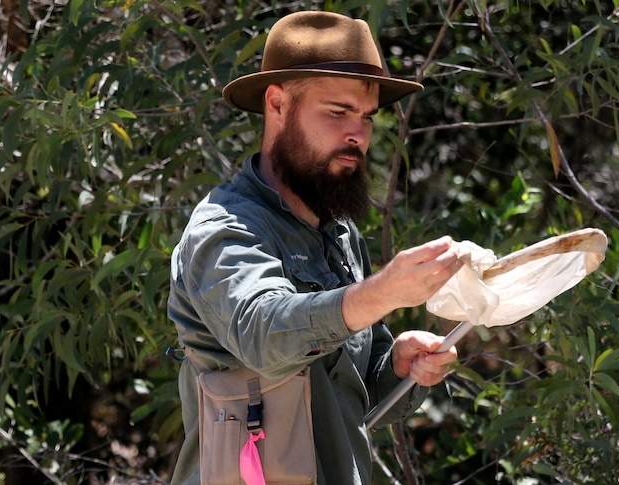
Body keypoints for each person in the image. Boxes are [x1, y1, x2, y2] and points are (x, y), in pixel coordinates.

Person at [167, 10, 465, 485]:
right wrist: (382, 292)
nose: (358, 134)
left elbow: (352, 394)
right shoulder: (223, 229)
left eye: (366, 117)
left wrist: (401, 368)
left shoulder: (340, 234)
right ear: (278, 104)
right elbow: (264, 335)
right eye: (338, 112)